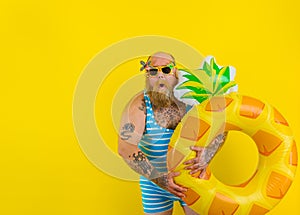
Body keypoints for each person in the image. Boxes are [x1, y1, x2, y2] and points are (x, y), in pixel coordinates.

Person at [118, 52, 226, 215]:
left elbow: (222, 126)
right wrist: (160, 179)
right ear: (147, 75)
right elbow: (126, 148)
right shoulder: (139, 105)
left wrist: (208, 153)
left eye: (166, 70)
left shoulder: (194, 99)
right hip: (154, 185)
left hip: (193, 180)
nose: (160, 75)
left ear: (176, 73)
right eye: (153, 71)